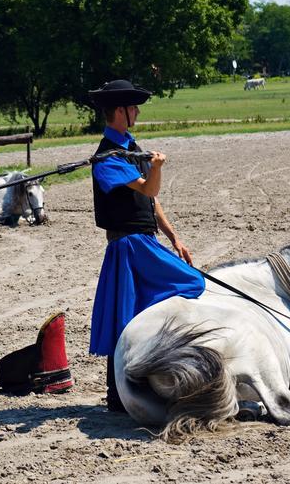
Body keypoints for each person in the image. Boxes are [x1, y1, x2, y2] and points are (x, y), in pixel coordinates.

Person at [86, 79, 205, 412]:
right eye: (133, 107)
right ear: (120, 112)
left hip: (145, 241)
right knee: (191, 283)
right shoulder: (106, 160)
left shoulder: (129, 149)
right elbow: (150, 190)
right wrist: (156, 169)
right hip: (128, 246)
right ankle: (119, 391)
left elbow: (152, 204)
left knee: (130, 311)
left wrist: (174, 236)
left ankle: (146, 373)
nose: (137, 112)